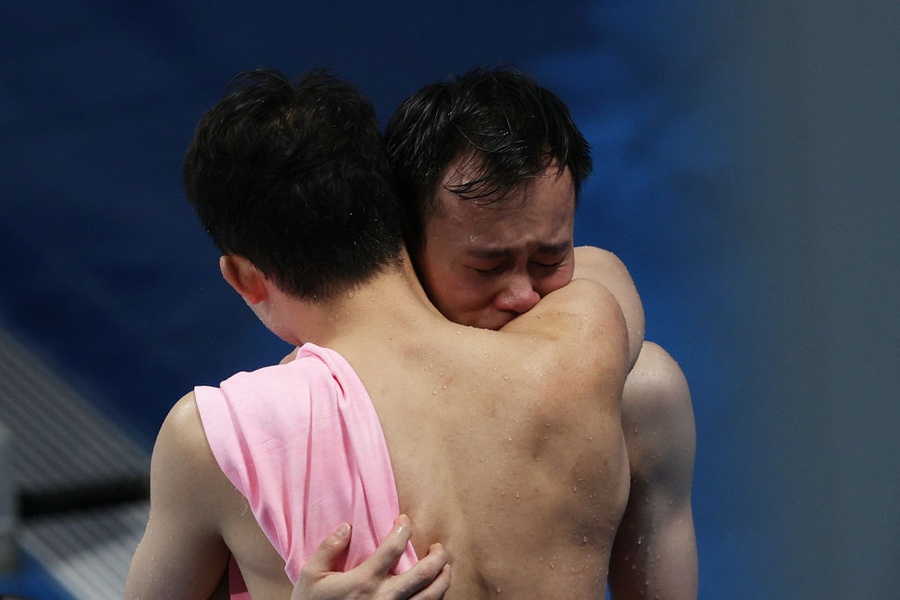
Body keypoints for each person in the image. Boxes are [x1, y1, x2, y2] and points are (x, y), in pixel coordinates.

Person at [124, 68, 643, 599]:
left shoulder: (216, 440)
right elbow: (599, 270)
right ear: (397, 216)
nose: (521, 296)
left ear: (243, 278)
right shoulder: (586, 343)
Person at [382, 67, 698, 599]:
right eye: (487, 268)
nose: (523, 296)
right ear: (408, 246)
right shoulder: (332, 399)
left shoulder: (640, 400)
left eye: (550, 259)